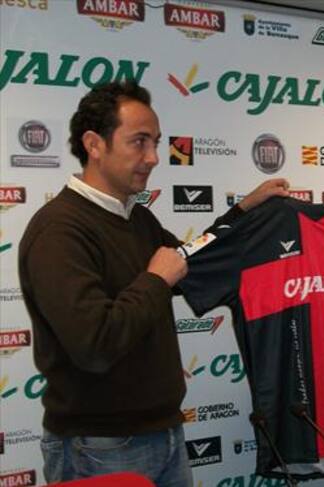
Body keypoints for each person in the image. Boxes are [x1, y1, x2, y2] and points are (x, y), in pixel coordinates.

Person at [18, 81, 288, 486]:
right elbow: (94, 344)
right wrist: (156, 279)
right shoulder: (59, 230)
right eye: (139, 142)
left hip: (163, 432)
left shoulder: (136, 217)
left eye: (156, 143)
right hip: (100, 446)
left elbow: (193, 261)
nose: (154, 157)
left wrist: (243, 212)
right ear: (94, 144)